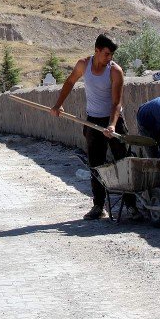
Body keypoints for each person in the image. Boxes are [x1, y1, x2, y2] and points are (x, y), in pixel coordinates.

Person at [50, 34, 129, 220]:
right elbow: (70, 82)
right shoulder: (83, 65)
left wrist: (112, 124)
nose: (110, 58)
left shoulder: (115, 71)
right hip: (92, 122)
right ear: (97, 51)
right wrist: (58, 104)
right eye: (107, 54)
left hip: (113, 121)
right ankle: (98, 206)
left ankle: (132, 206)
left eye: (111, 55)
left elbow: (117, 103)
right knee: (96, 165)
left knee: (124, 162)